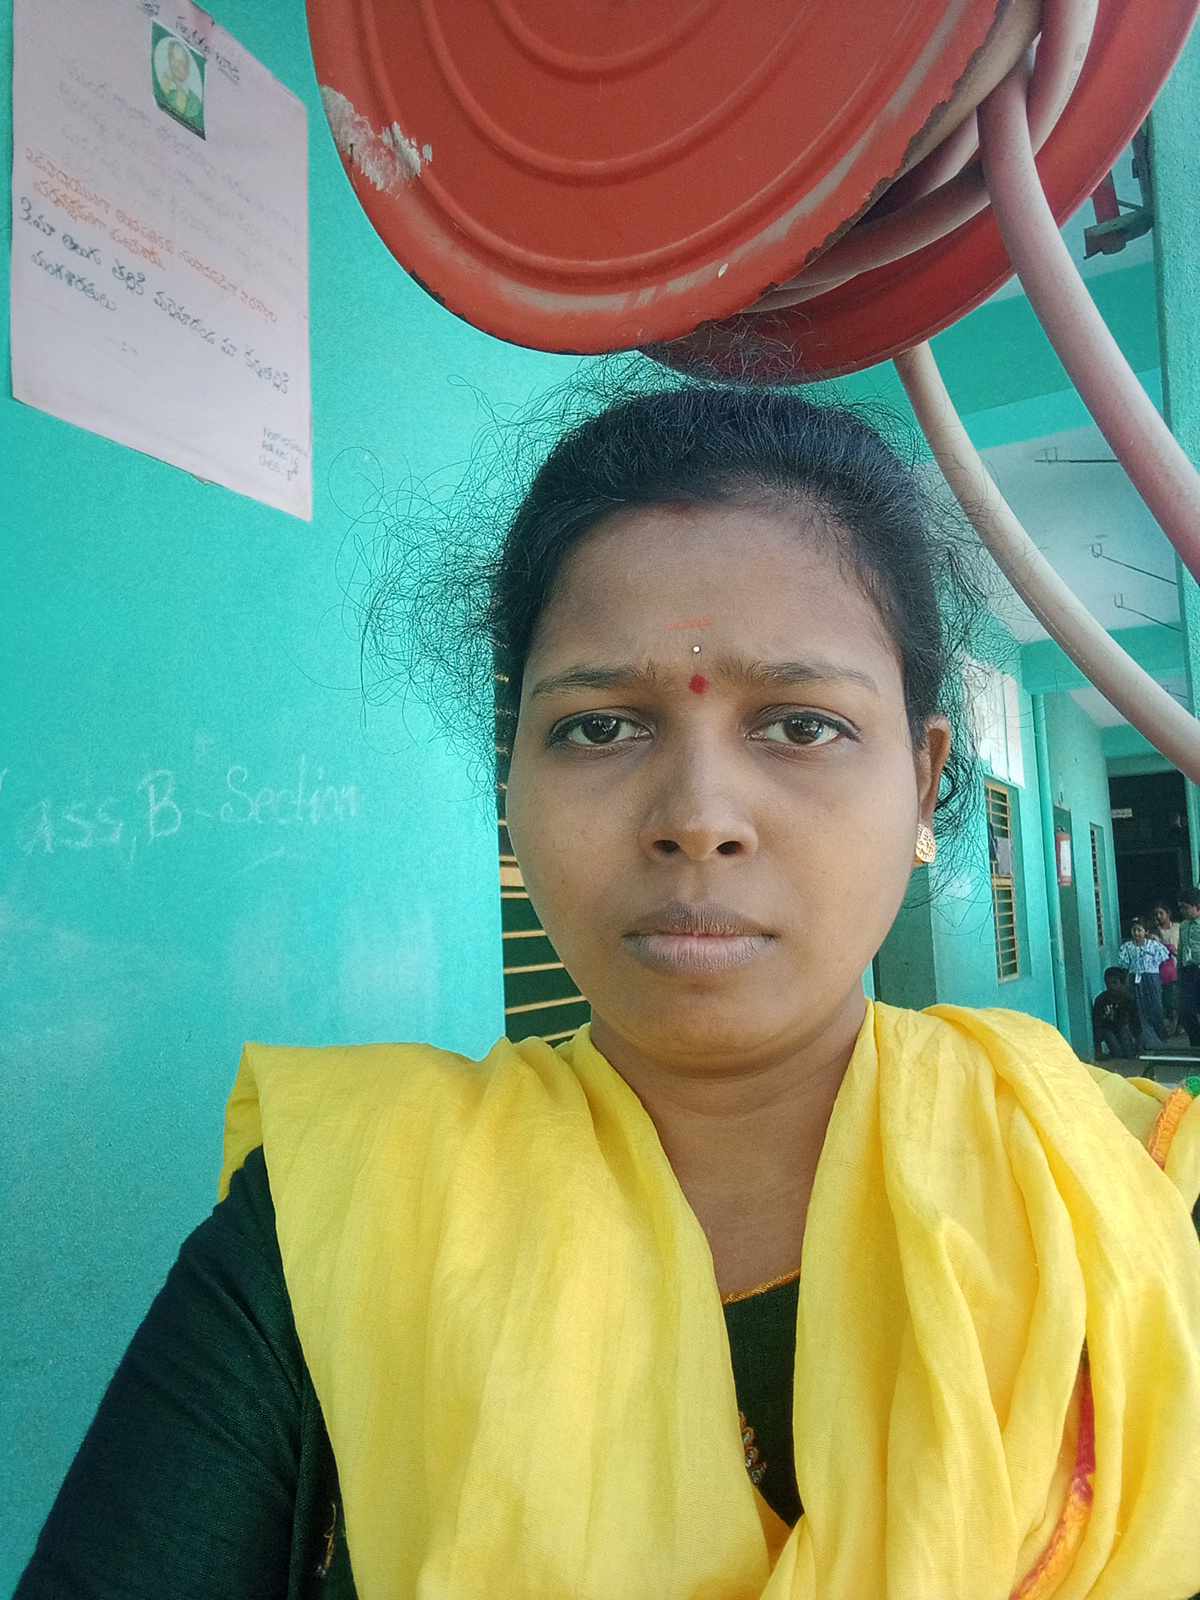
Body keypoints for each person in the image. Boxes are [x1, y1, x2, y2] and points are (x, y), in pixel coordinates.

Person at [15, 386, 1200, 1599]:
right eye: (596, 729)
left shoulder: (1142, 1201)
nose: (697, 817)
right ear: (512, 782)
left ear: (924, 778)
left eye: (800, 725)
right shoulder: (329, 1220)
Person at [1118, 919, 1171, 1050]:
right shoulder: (1127, 947)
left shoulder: (1154, 945)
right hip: (1135, 979)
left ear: (1146, 931)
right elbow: (1124, 964)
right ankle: (1144, 1040)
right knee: (1138, 1008)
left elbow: (1163, 958)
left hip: (1151, 978)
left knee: (1155, 1006)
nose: (1136, 933)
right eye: (1134, 930)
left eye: (1139, 930)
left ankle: (1160, 1036)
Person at [1092, 966, 1139, 1064]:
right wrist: (1098, 1049)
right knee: (1117, 1052)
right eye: (1108, 984)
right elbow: (1097, 1025)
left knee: (1129, 1051)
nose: (1111, 987)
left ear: (1122, 984)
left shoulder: (1128, 999)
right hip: (1107, 1029)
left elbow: (1135, 1021)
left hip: (1122, 1027)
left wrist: (1138, 1042)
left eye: (1114, 983)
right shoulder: (1101, 1000)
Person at [1153, 900, 1182, 1034]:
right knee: (1169, 1000)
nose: (1159, 916)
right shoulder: (1154, 933)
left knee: (1180, 998)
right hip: (1164, 971)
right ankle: (1172, 1025)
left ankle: (1179, 1024)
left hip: (1180, 967)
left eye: (1161, 913)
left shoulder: (1178, 927)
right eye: (1156, 914)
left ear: (1168, 914)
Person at [1179, 889, 1200, 1047]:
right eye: (1181, 907)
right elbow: (1181, 948)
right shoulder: (1183, 926)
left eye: (1186, 907)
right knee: (1186, 1010)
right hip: (1188, 971)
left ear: (1197, 906)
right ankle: (1196, 1043)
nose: (1182, 911)